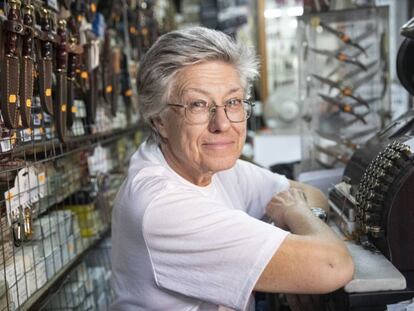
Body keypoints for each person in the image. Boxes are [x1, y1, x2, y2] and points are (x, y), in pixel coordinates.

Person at [110, 26, 354, 311]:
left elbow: (311, 195)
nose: (223, 124)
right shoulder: (163, 207)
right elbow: (333, 265)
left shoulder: (210, 165)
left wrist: (293, 238)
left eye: (233, 102)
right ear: (159, 120)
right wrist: (296, 222)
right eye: (198, 105)